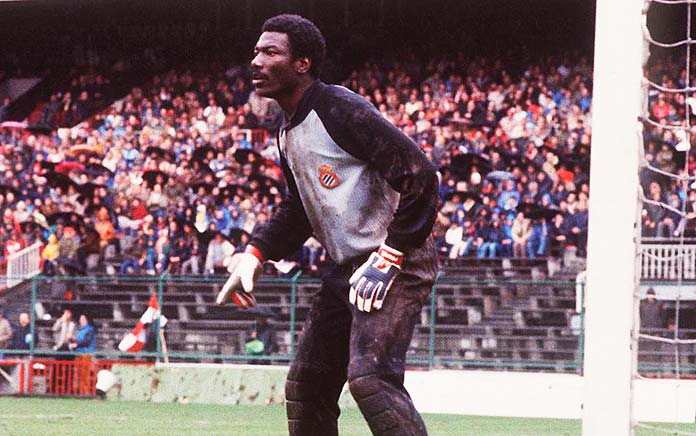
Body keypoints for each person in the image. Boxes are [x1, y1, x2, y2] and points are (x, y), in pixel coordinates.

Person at [217, 14, 438, 436]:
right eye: (256, 51)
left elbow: (420, 174)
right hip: (348, 268)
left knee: (371, 380)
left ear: (302, 63)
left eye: (270, 52)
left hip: (396, 260)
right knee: (308, 387)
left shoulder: (338, 108)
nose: (255, 61)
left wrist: (390, 256)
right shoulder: (287, 131)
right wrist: (255, 253)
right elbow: (301, 209)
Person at [70, 313, 97, 395]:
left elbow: (87, 341)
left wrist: (77, 344)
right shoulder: (79, 329)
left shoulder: (90, 329)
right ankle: (77, 392)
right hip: (79, 353)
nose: (80, 321)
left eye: (82, 319)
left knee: (85, 374)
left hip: (86, 354)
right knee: (77, 374)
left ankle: (86, 392)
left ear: (86, 320)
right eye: (80, 319)